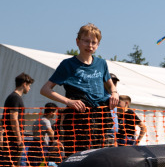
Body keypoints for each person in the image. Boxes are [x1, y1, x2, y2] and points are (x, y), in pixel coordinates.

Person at [40, 23, 119, 156]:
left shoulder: (101, 64)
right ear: (78, 42)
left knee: (97, 156)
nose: (90, 46)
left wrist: (114, 93)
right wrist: (69, 101)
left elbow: (111, 85)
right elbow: (45, 89)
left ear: (98, 44)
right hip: (78, 120)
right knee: (77, 157)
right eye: (86, 41)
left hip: (99, 118)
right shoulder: (68, 65)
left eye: (94, 42)